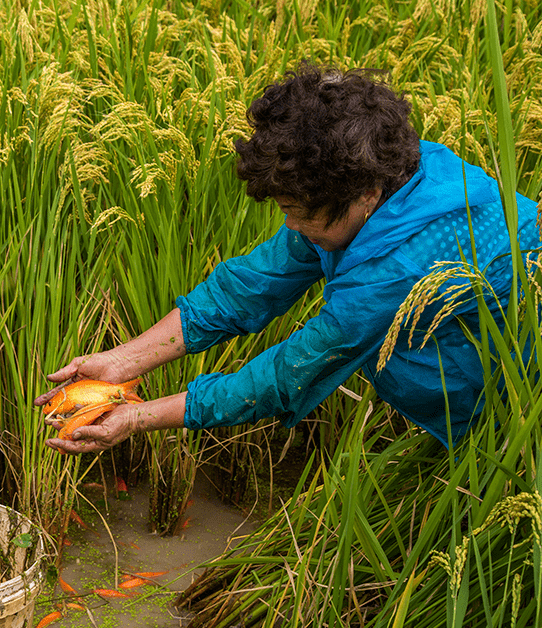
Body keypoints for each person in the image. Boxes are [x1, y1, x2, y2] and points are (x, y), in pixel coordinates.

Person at [35, 64, 542, 454]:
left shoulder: (404, 264)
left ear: (364, 194)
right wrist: (122, 362)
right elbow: (248, 286)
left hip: (516, 402)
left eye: (300, 215)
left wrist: (136, 418)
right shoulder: (384, 170)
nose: (292, 228)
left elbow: (288, 374)